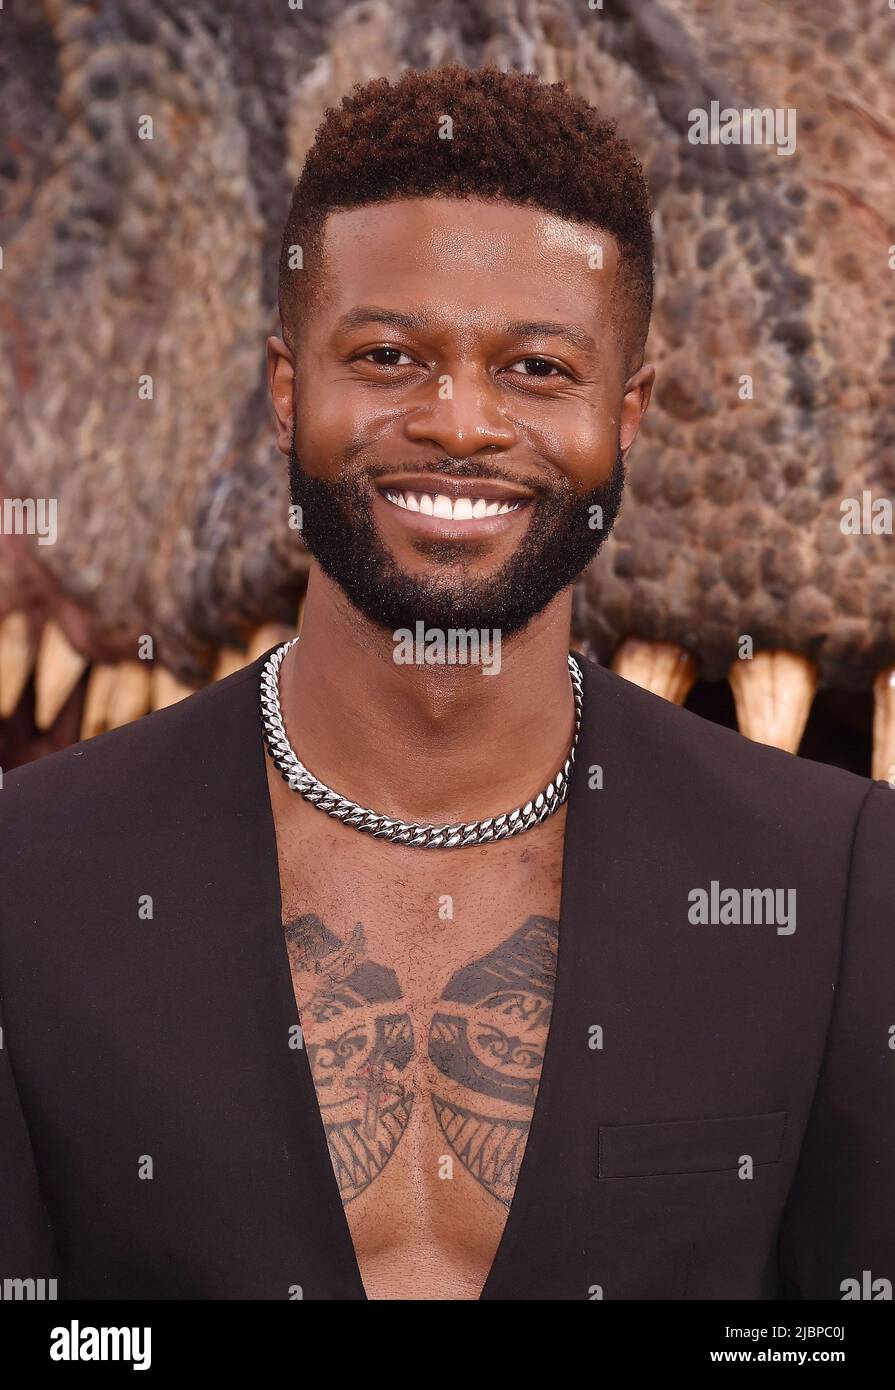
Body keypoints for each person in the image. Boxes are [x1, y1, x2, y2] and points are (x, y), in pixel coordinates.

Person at [1, 64, 893, 1302]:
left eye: (535, 368)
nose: (459, 422)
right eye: (386, 355)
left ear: (625, 412)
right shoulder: (28, 869)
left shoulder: (833, 874)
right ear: (284, 387)